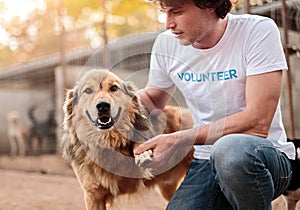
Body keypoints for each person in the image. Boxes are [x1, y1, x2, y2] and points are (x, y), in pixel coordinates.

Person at [133, 0, 296, 209]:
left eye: (176, 12)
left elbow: (258, 121)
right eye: (165, 13)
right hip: (205, 161)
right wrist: (110, 105)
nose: (168, 24)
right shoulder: (166, 44)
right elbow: (153, 100)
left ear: (209, 4)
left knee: (230, 151)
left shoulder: (257, 30)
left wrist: (177, 139)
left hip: (264, 156)